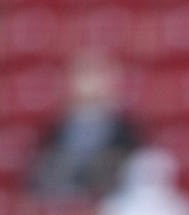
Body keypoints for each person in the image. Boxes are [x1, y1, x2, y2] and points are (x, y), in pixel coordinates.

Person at [24, 49, 143, 201]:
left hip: (112, 201)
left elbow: (135, 165)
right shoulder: (55, 126)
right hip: (63, 199)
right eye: (84, 75)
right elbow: (40, 170)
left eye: (96, 75)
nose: (90, 83)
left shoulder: (127, 126)